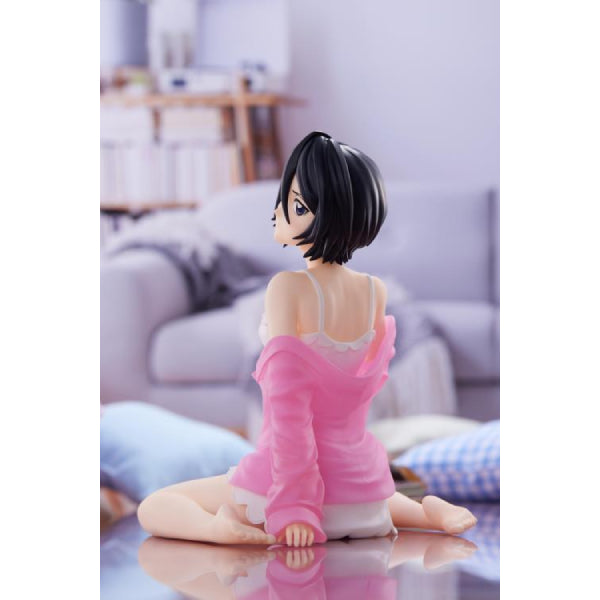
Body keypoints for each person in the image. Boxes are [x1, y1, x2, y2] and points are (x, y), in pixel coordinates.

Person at [137, 132, 477, 547]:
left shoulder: (288, 288)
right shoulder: (374, 290)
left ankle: (219, 530)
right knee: (376, 496)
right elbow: (356, 397)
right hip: (361, 494)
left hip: (296, 494)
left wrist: (295, 505)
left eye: (295, 205)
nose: (278, 212)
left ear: (328, 215)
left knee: (156, 505)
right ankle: (427, 513)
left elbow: (288, 404)